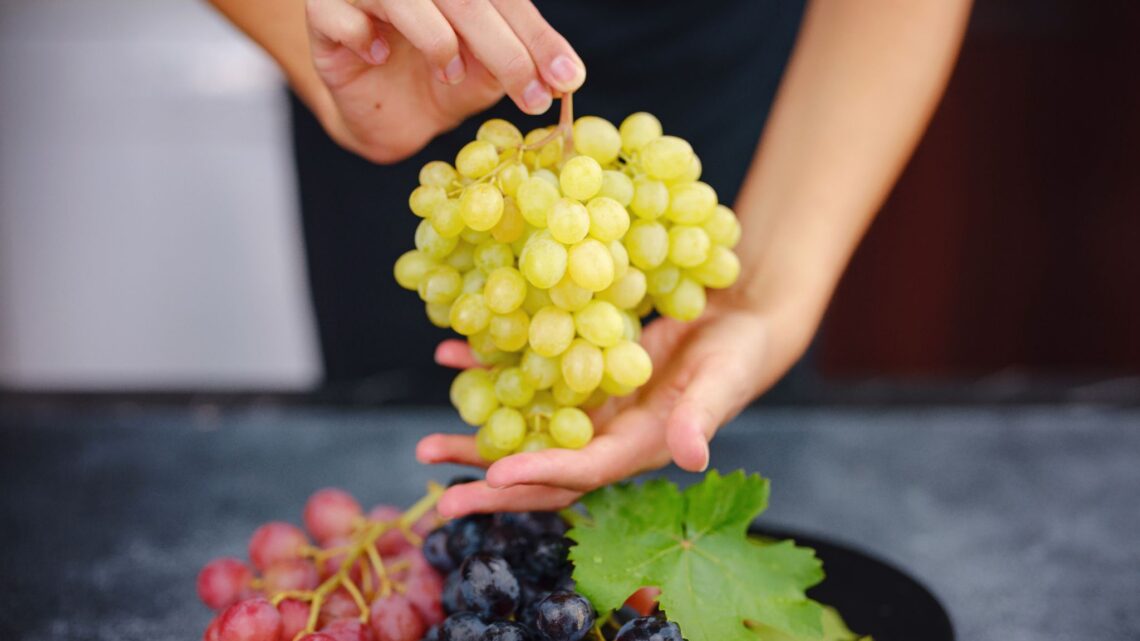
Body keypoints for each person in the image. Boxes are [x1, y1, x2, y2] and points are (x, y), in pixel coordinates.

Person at [209, 0, 973, 516]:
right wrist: (313, 42)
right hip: (394, 69)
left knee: (733, 488)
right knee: (405, 505)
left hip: (752, 102)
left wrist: (771, 292)